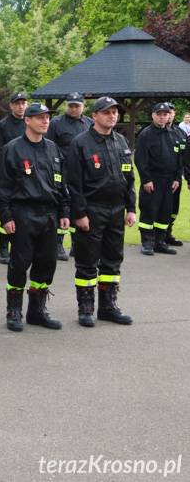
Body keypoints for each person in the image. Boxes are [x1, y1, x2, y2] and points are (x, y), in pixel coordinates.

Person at [0, 103, 69, 332]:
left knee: (47, 263)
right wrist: (6, 216)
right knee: (19, 264)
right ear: (27, 120)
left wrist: (65, 211)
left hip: (48, 214)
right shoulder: (12, 149)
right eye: (39, 117)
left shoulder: (53, 149)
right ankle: (13, 311)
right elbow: (2, 187)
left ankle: (37, 311)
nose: (45, 121)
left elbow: (61, 184)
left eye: (47, 117)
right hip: (23, 213)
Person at [65, 96, 135, 327]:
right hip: (91, 210)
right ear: (94, 116)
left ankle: (108, 306)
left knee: (113, 261)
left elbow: (129, 178)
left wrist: (131, 208)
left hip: (116, 210)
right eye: (106, 112)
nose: (112, 115)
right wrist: (80, 214)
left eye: (115, 112)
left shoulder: (121, 142)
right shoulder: (81, 143)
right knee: (87, 261)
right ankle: (86, 308)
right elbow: (73, 184)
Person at [46, 92, 93, 260]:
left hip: (83, 172)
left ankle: (76, 243)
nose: (74, 108)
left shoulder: (89, 123)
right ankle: (58, 243)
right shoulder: (56, 123)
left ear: (83, 106)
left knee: (79, 204)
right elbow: (48, 147)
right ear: (66, 105)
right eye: (71, 105)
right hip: (62, 170)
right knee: (61, 205)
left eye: (77, 105)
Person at [134, 102, 181, 255]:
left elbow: (178, 159)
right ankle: (147, 243)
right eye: (159, 114)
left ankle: (160, 242)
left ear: (169, 116)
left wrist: (177, 179)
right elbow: (140, 159)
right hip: (153, 179)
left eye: (165, 114)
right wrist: (146, 179)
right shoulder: (146, 134)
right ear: (153, 115)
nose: (162, 117)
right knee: (149, 210)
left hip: (169, 181)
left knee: (165, 212)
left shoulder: (173, 134)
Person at [0, 92, 28, 265]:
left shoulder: (30, 122)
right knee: (7, 210)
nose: (21, 106)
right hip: (8, 174)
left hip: (27, 175)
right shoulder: (2, 126)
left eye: (23, 103)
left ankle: (19, 248)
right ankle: (3, 248)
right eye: (17, 103)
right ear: (11, 106)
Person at [164, 104, 185, 247]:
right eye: (166, 113)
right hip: (160, 177)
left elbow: (183, 158)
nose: (169, 115)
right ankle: (155, 237)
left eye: (170, 112)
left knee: (173, 208)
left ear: (174, 114)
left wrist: (179, 177)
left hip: (176, 177)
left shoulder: (180, 133)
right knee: (159, 208)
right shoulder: (155, 132)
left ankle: (168, 233)